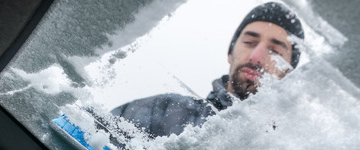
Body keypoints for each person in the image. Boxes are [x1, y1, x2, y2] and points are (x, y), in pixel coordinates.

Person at [111, 2, 305, 138]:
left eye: (275, 51)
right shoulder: (160, 111)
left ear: (288, 73)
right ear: (230, 53)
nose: (256, 57)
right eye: (249, 42)